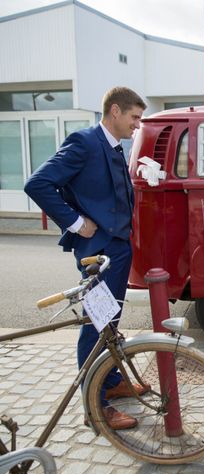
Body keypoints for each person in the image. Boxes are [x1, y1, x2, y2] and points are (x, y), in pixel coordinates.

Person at [24, 86, 148, 430]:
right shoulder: (84, 142)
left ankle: (108, 383)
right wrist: (77, 223)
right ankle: (94, 407)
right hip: (98, 252)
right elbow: (38, 184)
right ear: (115, 112)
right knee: (96, 326)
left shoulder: (113, 146)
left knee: (110, 324)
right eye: (134, 117)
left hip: (118, 248)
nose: (137, 125)